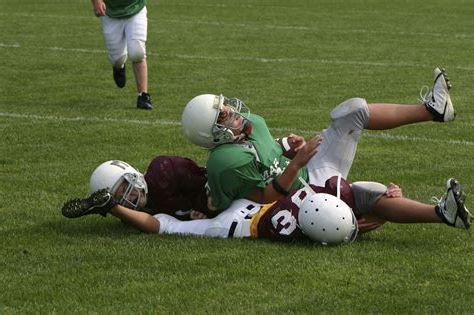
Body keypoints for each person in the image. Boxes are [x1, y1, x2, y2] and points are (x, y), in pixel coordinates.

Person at [180, 67, 457, 214]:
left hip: (310, 168)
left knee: (353, 111)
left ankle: (432, 110)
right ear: (211, 134)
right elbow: (265, 197)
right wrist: (296, 163)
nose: (230, 111)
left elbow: (270, 151)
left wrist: (288, 147)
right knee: (368, 194)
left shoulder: (252, 122)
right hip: (301, 198)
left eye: (225, 106)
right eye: (221, 116)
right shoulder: (224, 163)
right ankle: (442, 212)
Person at [61, 163, 471, 245]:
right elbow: (156, 226)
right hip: (267, 219)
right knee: (350, 197)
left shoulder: (178, 188)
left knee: (359, 192)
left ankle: (438, 213)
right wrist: (113, 209)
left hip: (270, 209)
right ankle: (439, 213)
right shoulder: (200, 224)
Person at [92, 0, 153, 110]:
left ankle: (143, 96)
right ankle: (119, 67)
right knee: (117, 59)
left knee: (137, 52)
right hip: (110, 13)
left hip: (136, 8)